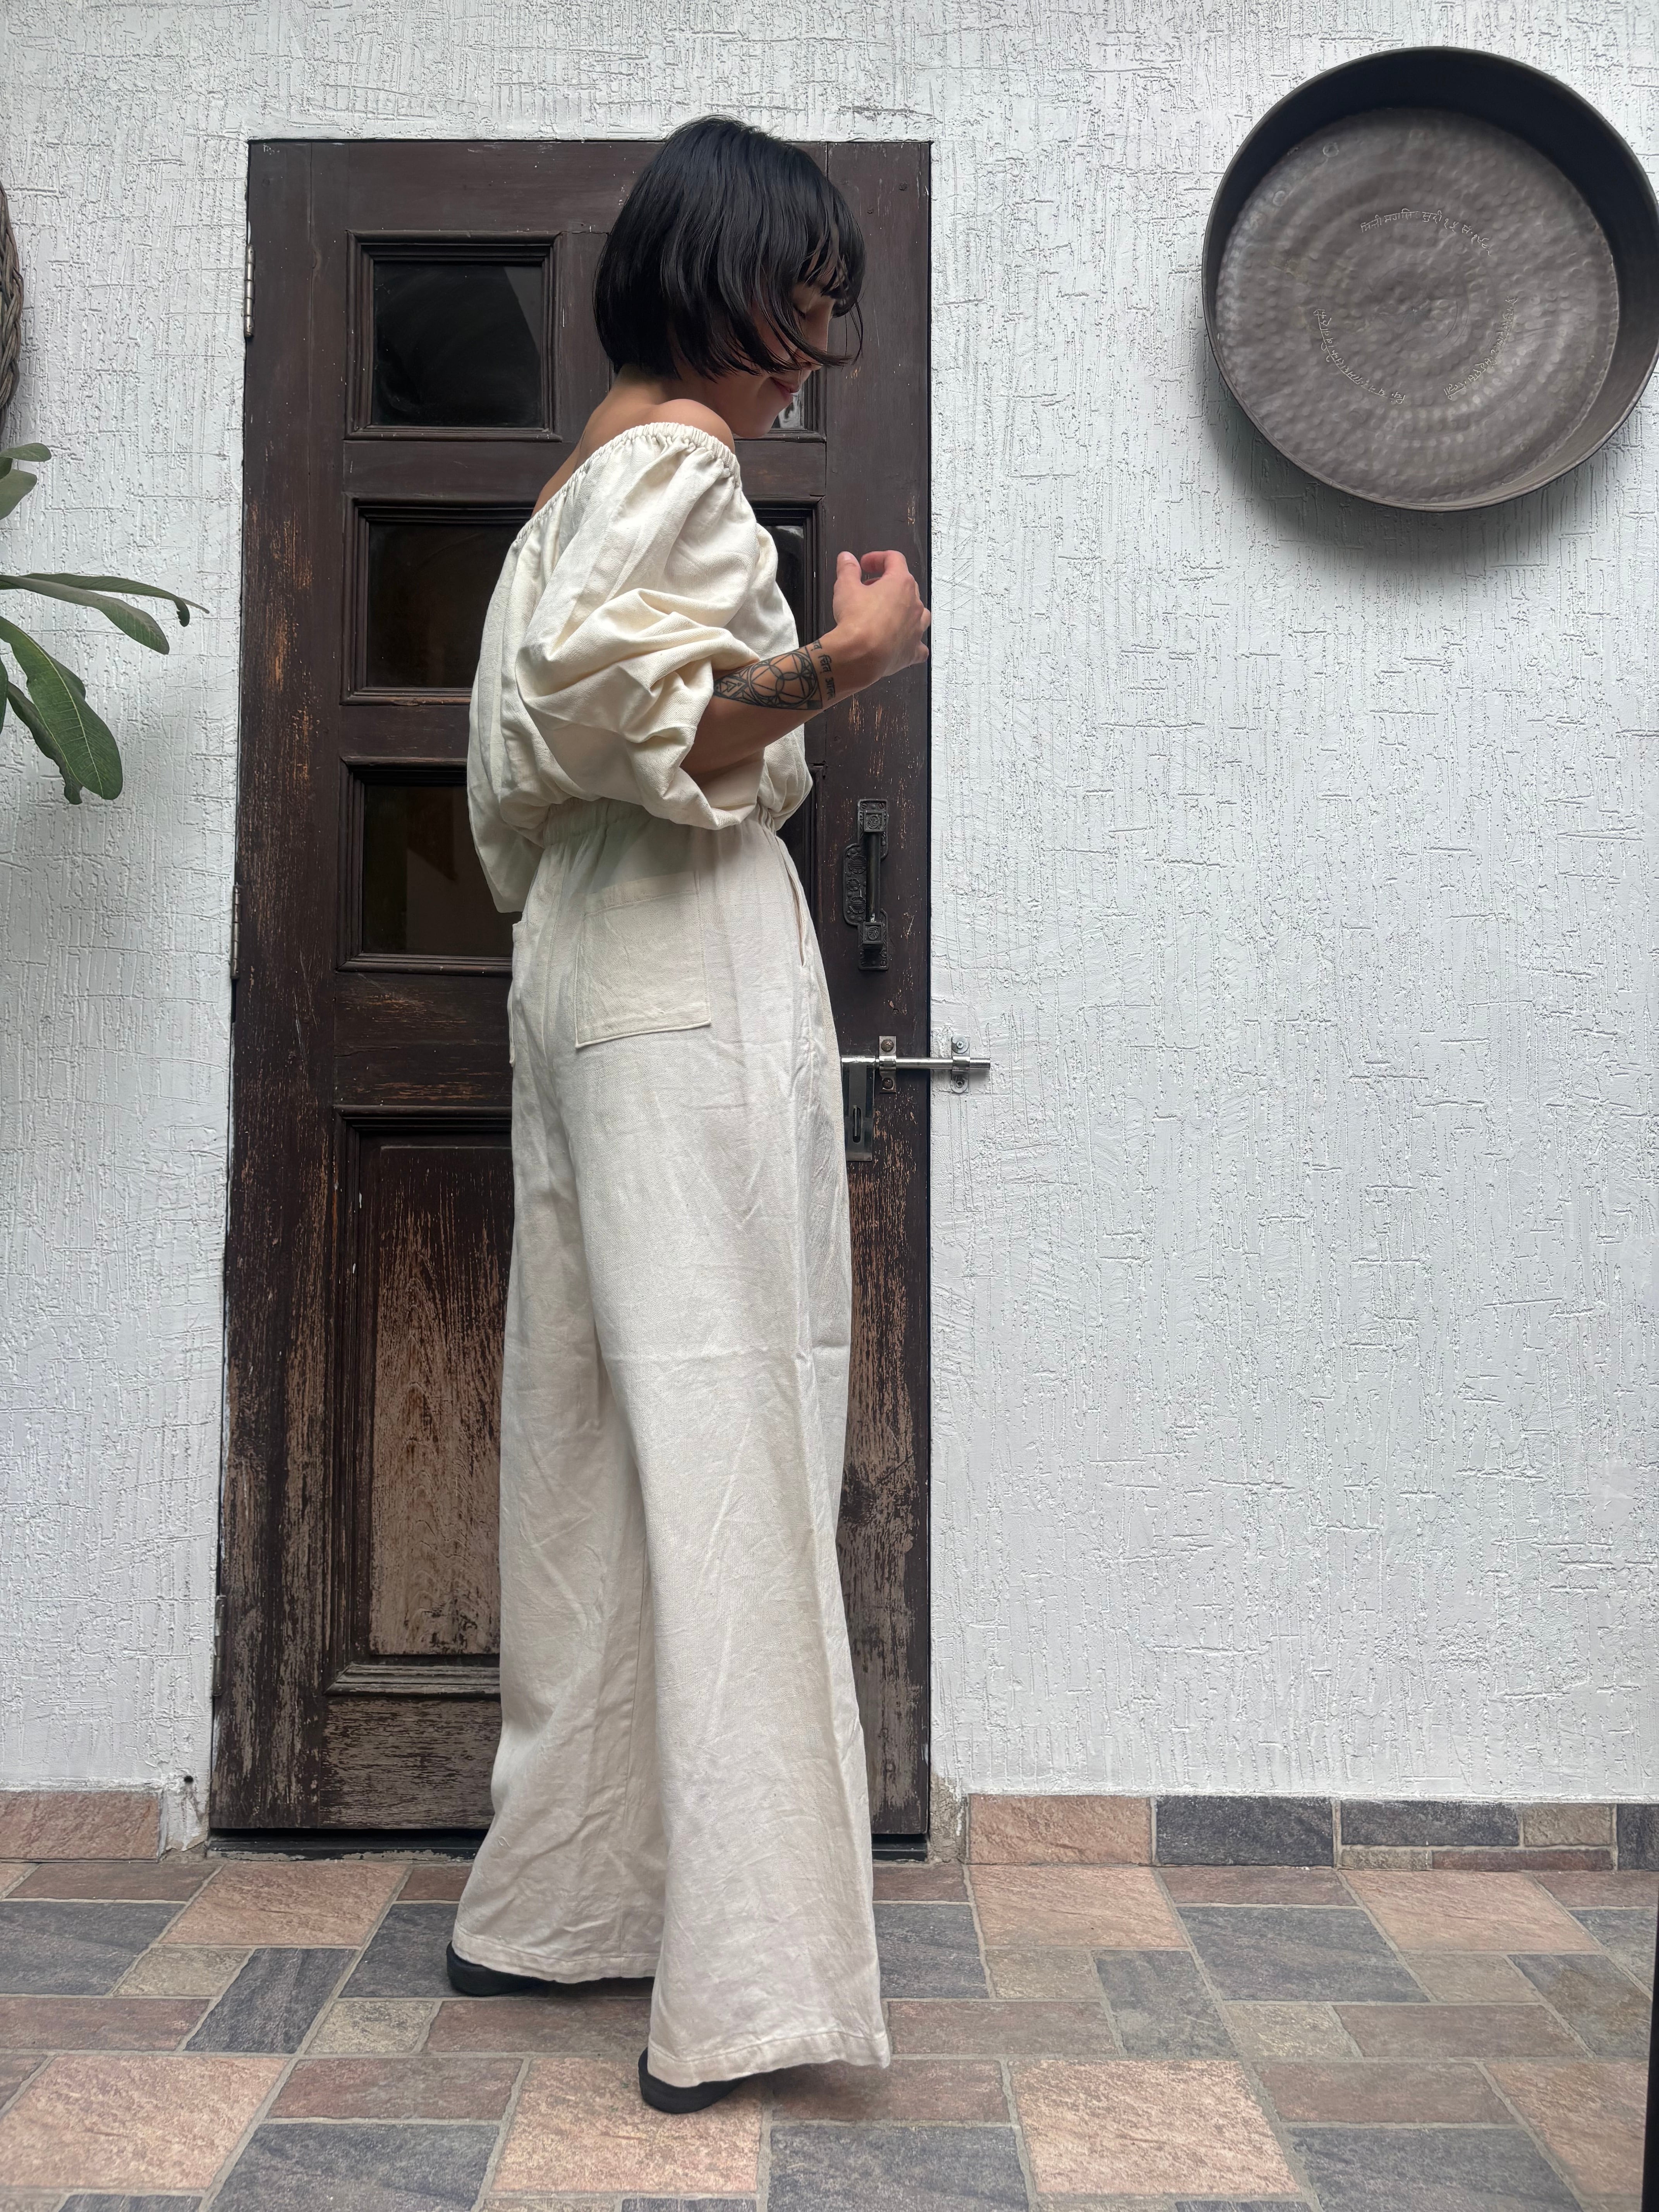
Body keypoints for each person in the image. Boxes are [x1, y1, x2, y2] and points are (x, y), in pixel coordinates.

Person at [453, 117, 931, 2114]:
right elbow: (655, 721)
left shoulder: (576, 482)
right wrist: (851, 660)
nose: (812, 352)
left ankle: (565, 1905)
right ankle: (747, 1983)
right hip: (676, 957)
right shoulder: (679, 465)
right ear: (721, 285)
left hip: (584, 956)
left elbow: (561, 734)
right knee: (732, 1423)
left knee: (595, 1436)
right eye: (800, 305)